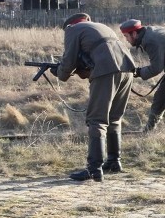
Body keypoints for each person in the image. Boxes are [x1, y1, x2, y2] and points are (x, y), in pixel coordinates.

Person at [54, 13, 136, 182]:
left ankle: (94, 169)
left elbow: (68, 60)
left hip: (107, 70)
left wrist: (60, 73)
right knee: (114, 118)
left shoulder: (72, 30)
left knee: (96, 120)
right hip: (127, 69)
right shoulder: (100, 27)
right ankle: (114, 161)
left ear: (69, 26)